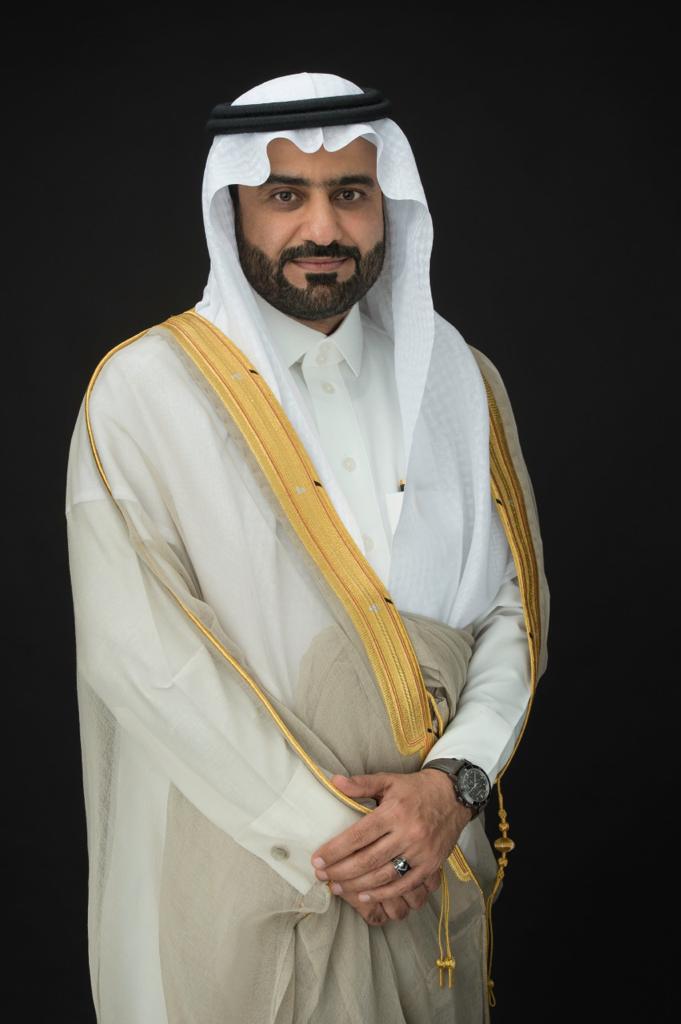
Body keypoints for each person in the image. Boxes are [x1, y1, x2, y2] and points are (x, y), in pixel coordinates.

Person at [65, 72, 550, 1024]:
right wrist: (357, 848)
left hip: (437, 862)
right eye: (285, 194)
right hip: (244, 868)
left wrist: (452, 787)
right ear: (233, 207)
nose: (321, 227)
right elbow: (146, 659)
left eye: (350, 194)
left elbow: (512, 612)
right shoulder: (145, 392)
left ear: (387, 204)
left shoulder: (459, 381)